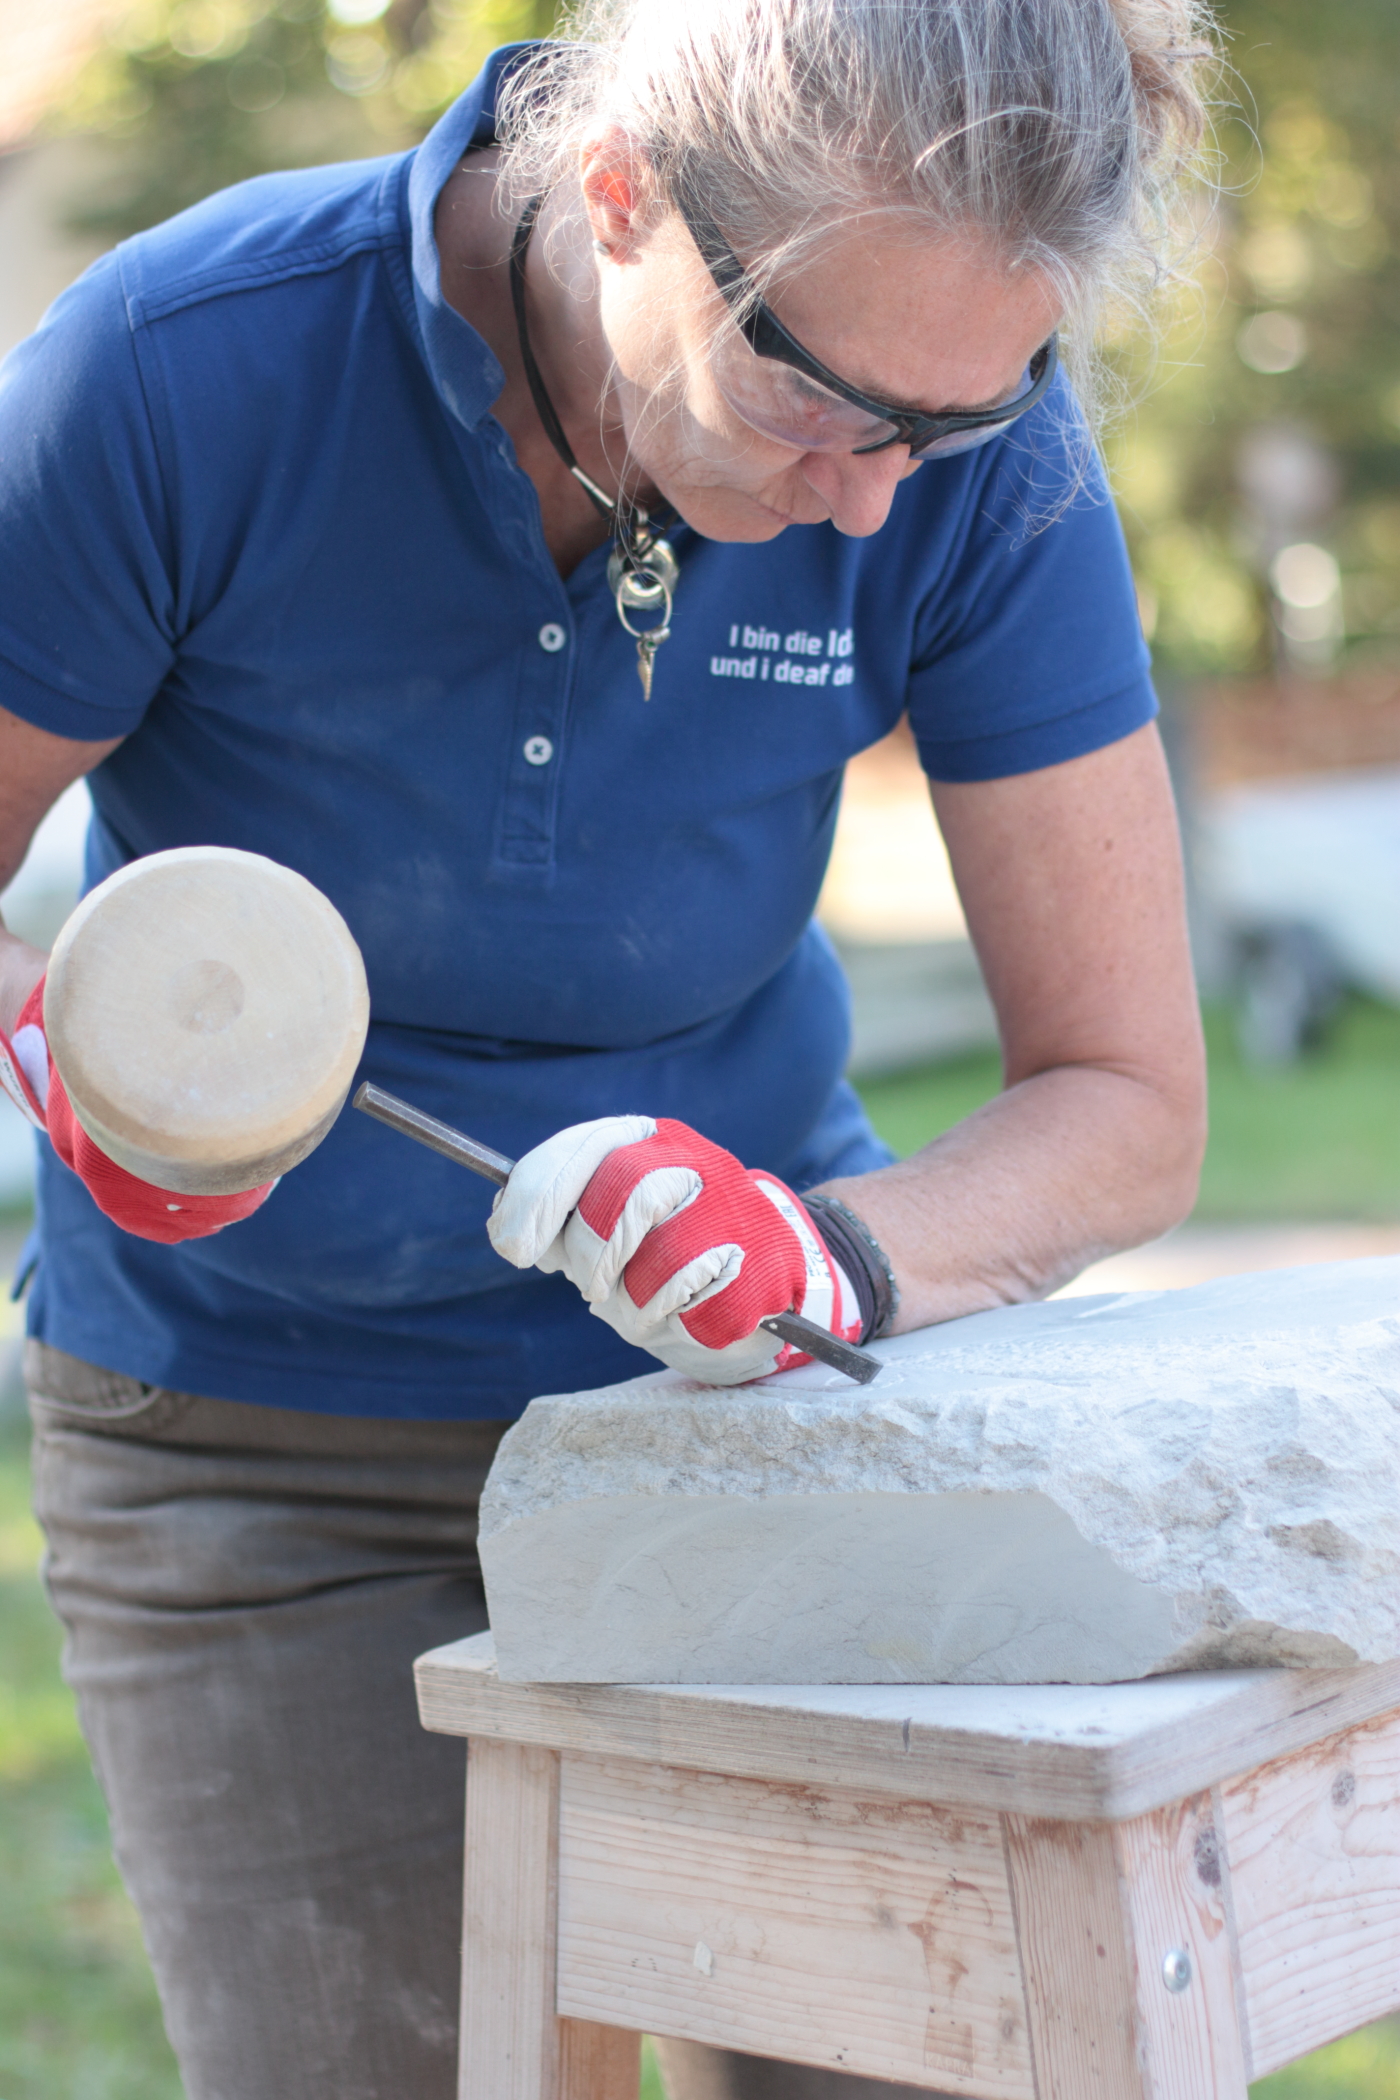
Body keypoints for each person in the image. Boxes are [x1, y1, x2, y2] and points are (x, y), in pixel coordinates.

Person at [0, 0, 1212, 2091]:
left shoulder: (964, 463)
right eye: (818, 404)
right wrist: (73, 1069)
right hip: (266, 1460)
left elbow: (1122, 1100)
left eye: (944, 429)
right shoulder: (184, 371)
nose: (863, 510)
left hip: (752, 1426)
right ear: (622, 199)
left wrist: (833, 1254)